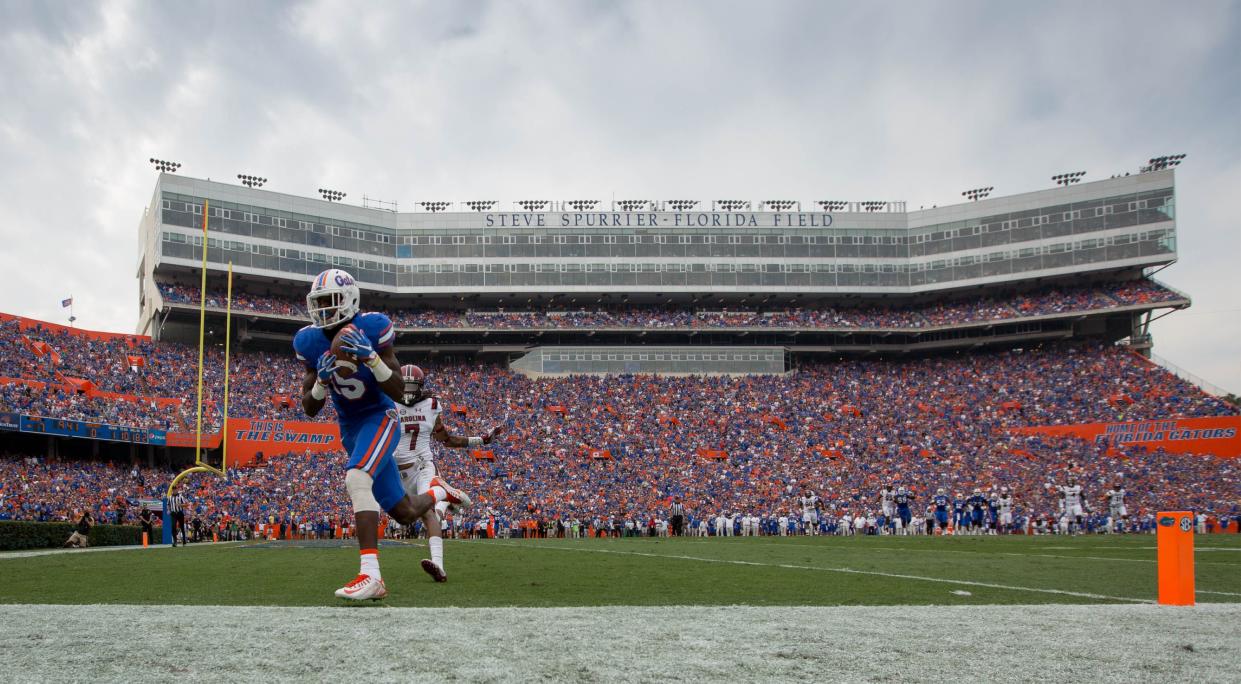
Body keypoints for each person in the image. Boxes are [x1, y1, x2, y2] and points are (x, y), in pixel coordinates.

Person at [295, 268, 470, 601]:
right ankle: (439, 494)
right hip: (351, 428)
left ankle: (371, 575)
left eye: (330, 302)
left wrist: (372, 358)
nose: (323, 311)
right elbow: (309, 408)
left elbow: (397, 390)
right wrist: (320, 381)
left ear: (350, 300)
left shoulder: (372, 328)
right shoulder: (308, 341)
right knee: (404, 512)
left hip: (380, 417)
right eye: (318, 303)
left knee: (357, 478)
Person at [392, 364, 502, 582]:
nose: (408, 391)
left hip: (422, 466)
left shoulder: (431, 404)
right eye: (405, 386)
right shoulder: (388, 401)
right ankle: (442, 495)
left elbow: (447, 440)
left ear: (420, 387)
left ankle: (439, 566)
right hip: (396, 471)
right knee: (405, 517)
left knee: (426, 513)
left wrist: (481, 440)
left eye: (412, 386)